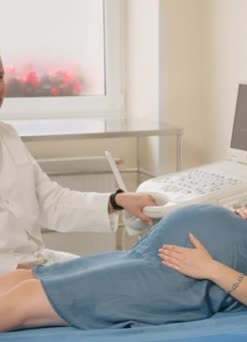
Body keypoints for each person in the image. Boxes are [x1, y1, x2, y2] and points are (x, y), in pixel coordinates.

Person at [0, 191, 247, 331]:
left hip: (181, 281)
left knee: (22, 303)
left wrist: (211, 269)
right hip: (155, 255)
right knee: (23, 280)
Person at [0, 55, 158, 275]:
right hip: (10, 278)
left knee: (116, 273)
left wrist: (116, 200)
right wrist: (12, 269)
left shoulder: (7, 136)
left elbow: (51, 202)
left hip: (37, 263)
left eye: (0, 77)